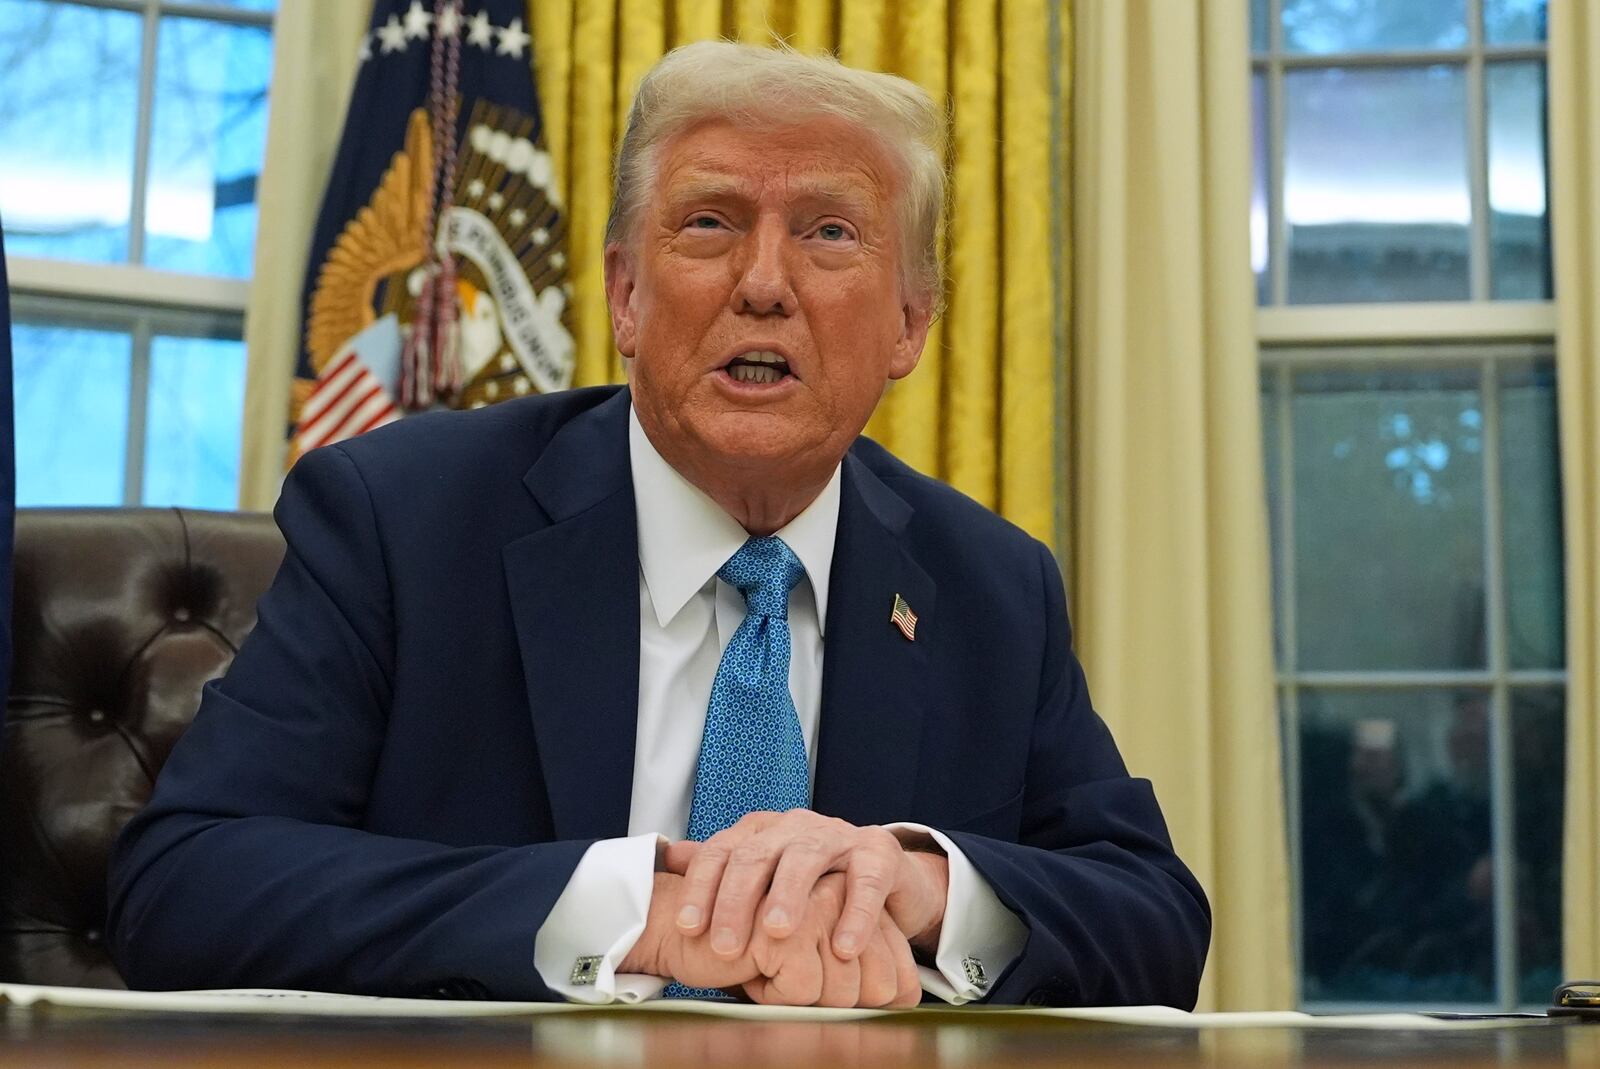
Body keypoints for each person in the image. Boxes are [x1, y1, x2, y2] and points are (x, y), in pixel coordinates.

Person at [107, 41, 1209, 1009]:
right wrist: (626, 909)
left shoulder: (987, 585)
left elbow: (1155, 918)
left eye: (828, 232)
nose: (763, 284)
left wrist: (924, 886)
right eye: (708, 224)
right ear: (626, 298)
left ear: (910, 322)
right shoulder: (403, 519)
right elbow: (185, 883)